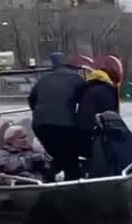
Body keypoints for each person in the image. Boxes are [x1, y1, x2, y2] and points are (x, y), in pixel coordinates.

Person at [29, 53, 88, 182]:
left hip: (40, 125)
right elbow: (87, 100)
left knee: (61, 155)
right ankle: (60, 179)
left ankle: (49, 178)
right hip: (65, 125)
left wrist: (42, 113)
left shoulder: (43, 79)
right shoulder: (76, 78)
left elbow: (31, 100)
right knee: (69, 156)